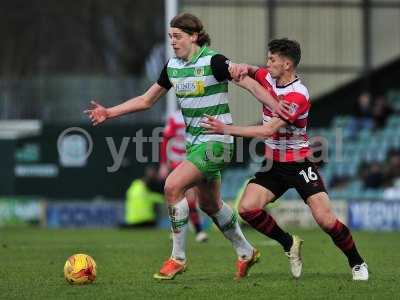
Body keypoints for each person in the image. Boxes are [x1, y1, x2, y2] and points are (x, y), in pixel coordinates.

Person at [84, 13, 285, 280]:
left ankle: (177, 258)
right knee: (210, 205)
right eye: (170, 37)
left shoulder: (213, 61)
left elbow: (249, 85)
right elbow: (147, 100)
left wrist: (278, 108)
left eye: (177, 37)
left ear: (194, 36)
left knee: (172, 185)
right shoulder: (172, 67)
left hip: (218, 142)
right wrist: (109, 112)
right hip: (196, 145)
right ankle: (246, 251)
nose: (173, 42)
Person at [201, 38, 369, 281]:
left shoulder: (298, 95)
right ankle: (289, 243)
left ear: (287, 64)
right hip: (273, 165)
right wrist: (237, 67)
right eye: (268, 58)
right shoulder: (268, 77)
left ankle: (357, 262)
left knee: (325, 220)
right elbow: (250, 72)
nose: (267, 63)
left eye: (272, 60)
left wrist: (224, 129)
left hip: (299, 165)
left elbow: (268, 131)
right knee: (247, 209)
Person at [160, 110, 208, 242]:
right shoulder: (175, 117)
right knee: (178, 195)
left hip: (193, 158)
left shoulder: (200, 114)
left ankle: (196, 229)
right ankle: (195, 230)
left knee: (192, 196)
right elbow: (165, 140)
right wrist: (164, 163)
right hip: (176, 159)